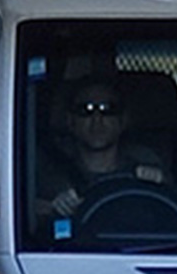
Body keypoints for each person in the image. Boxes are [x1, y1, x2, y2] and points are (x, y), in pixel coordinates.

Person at [42, 79, 165, 219]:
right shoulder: (49, 175)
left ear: (123, 120)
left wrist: (158, 187)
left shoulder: (146, 164)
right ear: (70, 121)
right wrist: (55, 208)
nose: (97, 119)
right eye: (85, 110)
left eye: (108, 109)